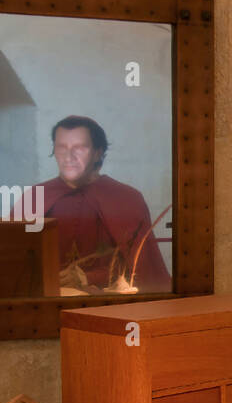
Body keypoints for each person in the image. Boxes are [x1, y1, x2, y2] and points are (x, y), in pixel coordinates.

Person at [38, 116, 171, 294]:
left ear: (98, 153)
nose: (68, 157)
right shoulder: (36, 196)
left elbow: (141, 269)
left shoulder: (127, 199)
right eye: (61, 148)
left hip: (107, 304)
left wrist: (87, 277)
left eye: (79, 148)